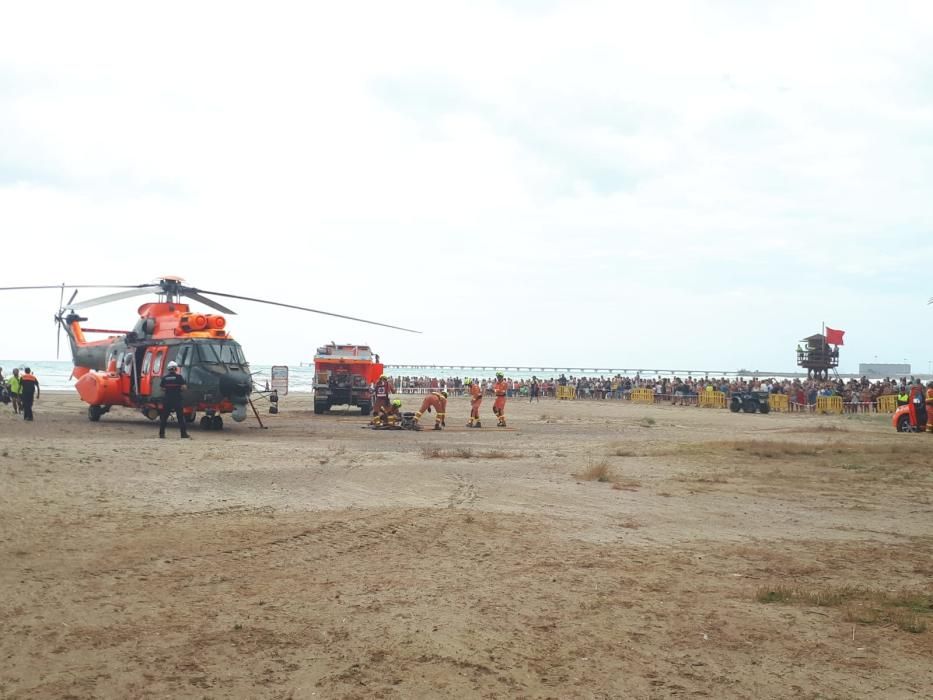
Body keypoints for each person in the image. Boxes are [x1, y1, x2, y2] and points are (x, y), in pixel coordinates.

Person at [159, 361, 190, 438]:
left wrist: (168, 389)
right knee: (180, 417)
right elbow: (184, 387)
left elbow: (162, 388)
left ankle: (161, 434)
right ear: (176, 369)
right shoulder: (179, 377)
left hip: (167, 400)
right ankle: (183, 434)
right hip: (177, 399)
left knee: (164, 417)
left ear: (168, 369)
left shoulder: (165, 378)